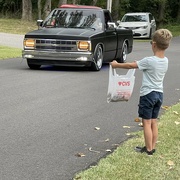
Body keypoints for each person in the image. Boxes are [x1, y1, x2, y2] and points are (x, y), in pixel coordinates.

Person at [110, 29, 173, 155]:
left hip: (148, 94)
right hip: (159, 94)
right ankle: (152, 147)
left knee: (146, 122)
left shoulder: (149, 60)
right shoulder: (165, 60)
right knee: (154, 121)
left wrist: (116, 65)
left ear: (154, 44)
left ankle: (148, 149)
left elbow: (131, 65)